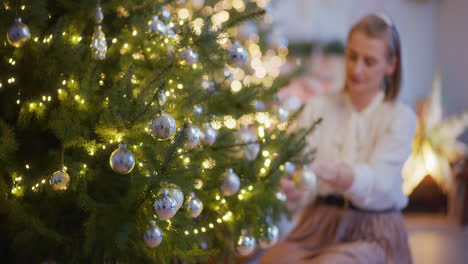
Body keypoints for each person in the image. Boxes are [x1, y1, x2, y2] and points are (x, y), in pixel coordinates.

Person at [259, 14, 416, 264]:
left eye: (369, 61)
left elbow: (379, 184)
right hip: (318, 223)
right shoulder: (317, 106)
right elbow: (302, 177)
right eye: (352, 56)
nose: (357, 69)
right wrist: (295, 191)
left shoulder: (399, 117)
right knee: (271, 260)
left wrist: (330, 171)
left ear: (391, 65)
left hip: (372, 229)